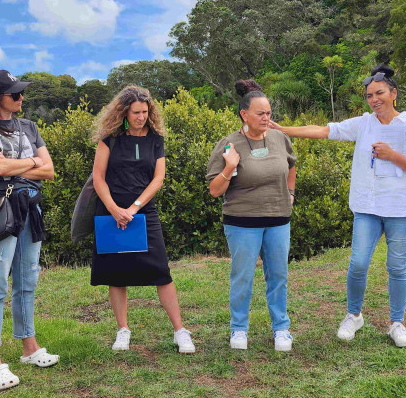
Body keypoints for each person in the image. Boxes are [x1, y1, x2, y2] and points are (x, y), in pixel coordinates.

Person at [269, 64, 406, 347]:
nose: (374, 99)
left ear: (393, 93)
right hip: (367, 207)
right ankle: (354, 315)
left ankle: (397, 323)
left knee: (397, 267)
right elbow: (324, 130)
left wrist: (391, 155)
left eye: (380, 93)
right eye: (370, 95)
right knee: (358, 264)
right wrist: (282, 129)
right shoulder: (363, 123)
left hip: (400, 208)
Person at [90, 85, 195, 353]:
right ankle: (122, 330)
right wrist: (115, 209)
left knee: (161, 272)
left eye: (145, 112)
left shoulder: (156, 139)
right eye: (136, 112)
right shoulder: (109, 139)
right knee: (116, 274)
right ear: (124, 112)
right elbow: (98, 178)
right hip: (111, 213)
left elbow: (158, 178)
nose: (141, 117)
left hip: (144, 213)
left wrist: (134, 208)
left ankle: (179, 331)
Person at [0, 70, 58, 391]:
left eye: (21, 94)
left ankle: (29, 347)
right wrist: (31, 162)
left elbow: (49, 170)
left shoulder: (29, 127)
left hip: (29, 209)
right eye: (15, 95)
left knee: (27, 281)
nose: (22, 99)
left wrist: (21, 165)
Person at [206, 79, 297, 351]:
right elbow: (214, 190)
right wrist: (229, 166)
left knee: (278, 276)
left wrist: (290, 193)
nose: (266, 118)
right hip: (242, 222)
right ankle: (239, 330)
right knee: (243, 277)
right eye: (261, 113)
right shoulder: (228, 144)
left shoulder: (281, 139)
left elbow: (291, 165)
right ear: (244, 114)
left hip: (279, 219)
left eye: (269, 113)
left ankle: (281, 329)